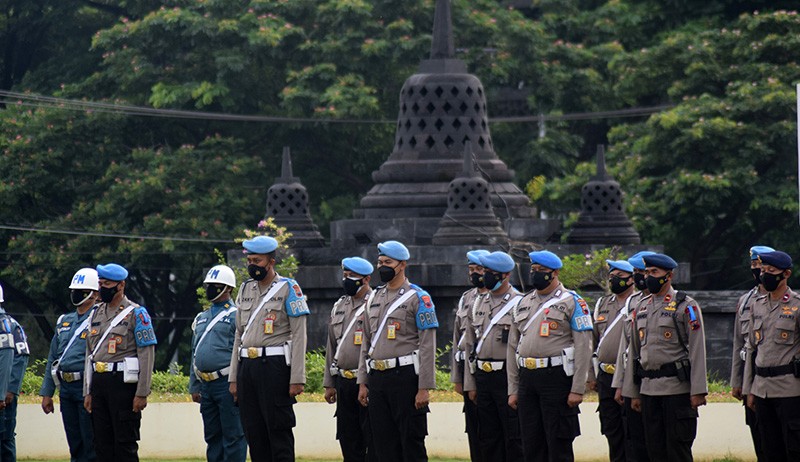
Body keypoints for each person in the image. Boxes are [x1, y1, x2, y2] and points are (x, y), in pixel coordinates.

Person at [228, 235, 309, 462]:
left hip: (274, 367)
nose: (252, 265)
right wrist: (233, 377)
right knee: (254, 433)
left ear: (271, 262)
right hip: (247, 368)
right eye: (250, 260)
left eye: (258, 261)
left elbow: (300, 334)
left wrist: (297, 378)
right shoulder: (245, 289)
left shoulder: (288, 288)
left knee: (278, 432)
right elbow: (238, 334)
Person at [507, 250, 593, 462]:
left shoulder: (573, 302)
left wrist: (577, 388)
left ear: (554, 273)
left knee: (558, 443)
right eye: (533, 270)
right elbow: (512, 347)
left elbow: (584, 346)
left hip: (556, 377)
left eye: (541, 271)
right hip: (527, 377)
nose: (535, 274)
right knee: (531, 443)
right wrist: (513, 389)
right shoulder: (523, 302)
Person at [357, 240, 438, 462]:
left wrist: (424, 387)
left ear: (401, 265)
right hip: (378, 378)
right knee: (383, 444)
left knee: (411, 442)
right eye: (380, 262)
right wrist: (363, 382)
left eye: (387, 262)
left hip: (405, 377)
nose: (382, 266)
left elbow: (428, 345)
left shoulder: (418, 297)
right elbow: (366, 342)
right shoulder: (373, 297)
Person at [623, 253, 707, 462]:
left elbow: (697, 349)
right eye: (646, 272)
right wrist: (633, 392)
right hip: (648, 390)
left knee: (677, 450)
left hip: (676, 390)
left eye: (654, 272)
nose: (648, 277)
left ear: (668, 276)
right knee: (654, 451)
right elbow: (634, 352)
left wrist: (698, 390)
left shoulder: (685, 305)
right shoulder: (641, 307)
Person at [83, 263, 158, 462]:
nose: (102, 288)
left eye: (107, 283)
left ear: (121, 285)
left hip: (123, 385)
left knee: (124, 444)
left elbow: (146, 354)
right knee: (101, 443)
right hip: (99, 382)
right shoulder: (96, 313)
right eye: (100, 283)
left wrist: (142, 392)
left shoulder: (136, 313)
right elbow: (89, 354)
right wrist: (88, 391)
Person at [463, 251, 523, 461]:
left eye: (490, 272)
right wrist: (470, 383)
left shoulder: (519, 303)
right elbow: (469, 345)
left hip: (506, 376)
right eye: (484, 271)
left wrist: (515, 387)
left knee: (513, 438)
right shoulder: (477, 303)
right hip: (482, 377)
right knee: (488, 438)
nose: (485, 276)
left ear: (505, 275)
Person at [743, 250, 800, 462]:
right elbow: (751, 349)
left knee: (793, 450)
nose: (765, 275)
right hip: (762, 390)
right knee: (768, 450)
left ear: (786, 274)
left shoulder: (796, 305)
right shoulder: (756, 305)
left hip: (789, 390)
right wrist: (749, 389)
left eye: (771, 271)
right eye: (763, 270)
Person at [40, 268, 99, 462]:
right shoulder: (64, 321)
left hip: (86, 388)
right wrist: (47, 393)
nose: (75, 294)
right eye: (73, 290)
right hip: (65, 388)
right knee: (74, 444)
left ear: (94, 294)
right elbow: (53, 358)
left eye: (81, 291)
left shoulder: (99, 320)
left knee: (90, 443)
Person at [189, 264, 246, 462]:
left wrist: (237, 382)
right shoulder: (201, 317)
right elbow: (194, 353)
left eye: (216, 285)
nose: (210, 289)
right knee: (212, 436)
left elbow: (240, 352)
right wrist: (194, 385)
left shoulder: (237, 315)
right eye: (209, 285)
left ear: (228, 288)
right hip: (206, 384)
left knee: (233, 435)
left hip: (227, 382)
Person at [323, 257, 375, 462]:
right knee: (348, 438)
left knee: (371, 438)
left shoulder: (376, 303)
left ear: (366, 279)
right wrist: (329, 383)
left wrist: (365, 383)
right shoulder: (339, 306)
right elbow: (331, 346)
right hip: (343, 381)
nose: (347, 280)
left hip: (367, 381)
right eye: (345, 275)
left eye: (352, 276)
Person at [589, 260, 636, 462]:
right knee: (611, 430)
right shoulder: (602, 304)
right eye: (611, 277)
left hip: (627, 375)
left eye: (619, 277)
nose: (614, 281)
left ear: (631, 279)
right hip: (605, 377)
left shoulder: (638, 303)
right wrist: (591, 376)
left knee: (631, 433)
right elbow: (593, 342)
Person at [611, 251, 655, 462]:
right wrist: (620, 384)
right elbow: (625, 348)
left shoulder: (679, 303)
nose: (638, 276)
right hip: (633, 379)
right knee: (634, 441)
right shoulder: (632, 303)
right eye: (635, 272)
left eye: (641, 272)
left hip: (662, 380)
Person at [730, 245, 772, 461]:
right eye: (754, 266)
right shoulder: (745, 301)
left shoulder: (792, 302)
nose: (757, 270)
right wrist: (737, 381)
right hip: (751, 374)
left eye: (761, 266)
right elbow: (739, 344)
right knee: (757, 431)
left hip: (780, 375)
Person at [451, 250, 489, 462]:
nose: (474, 274)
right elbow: (458, 341)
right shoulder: (467, 298)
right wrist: (458, 378)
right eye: (471, 269)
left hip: (489, 368)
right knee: (473, 429)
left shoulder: (506, 299)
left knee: (492, 431)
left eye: (479, 270)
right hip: (467, 368)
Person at [1, 311, 29, 461]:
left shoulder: (11, 326)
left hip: (4, 393)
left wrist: (11, 389)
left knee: (5, 438)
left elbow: (21, 356)